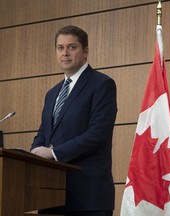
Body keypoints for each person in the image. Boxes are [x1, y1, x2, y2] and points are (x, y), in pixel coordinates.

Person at [30, 25, 117, 216]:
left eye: (72, 47)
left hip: (87, 197)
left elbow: (97, 135)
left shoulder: (102, 85)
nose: (65, 53)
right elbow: (44, 133)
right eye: (60, 48)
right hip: (50, 195)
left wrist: (54, 153)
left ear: (85, 52)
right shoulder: (52, 93)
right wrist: (33, 154)